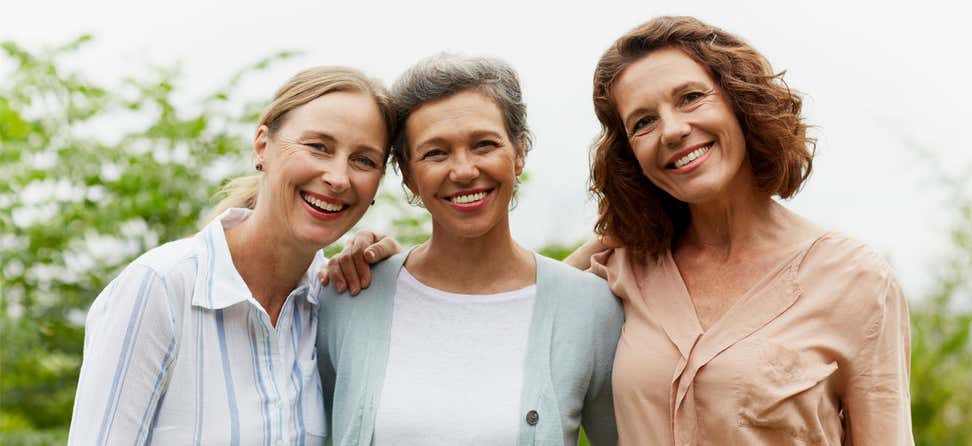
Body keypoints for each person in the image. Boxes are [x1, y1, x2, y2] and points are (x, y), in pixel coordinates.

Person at [565, 15, 914, 445]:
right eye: (643, 123)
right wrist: (616, 226)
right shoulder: (625, 269)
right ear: (630, 154)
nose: (672, 130)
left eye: (691, 97)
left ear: (740, 102)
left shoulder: (855, 279)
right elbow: (529, 317)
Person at [67, 66, 400, 445]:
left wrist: (395, 280)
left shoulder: (337, 302)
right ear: (262, 146)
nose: (339, 178)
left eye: (363, 160)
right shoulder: (159, 288)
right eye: (318, 147)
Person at [316, 54, 623, 445]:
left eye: (484, 145)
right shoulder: (349, 297)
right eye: (435, 152)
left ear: (519, 152)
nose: (463, 171)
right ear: (407, 174)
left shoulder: (592, 310)